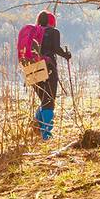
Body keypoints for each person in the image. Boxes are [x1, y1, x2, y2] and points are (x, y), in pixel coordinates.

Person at [27, 10, 70, 140]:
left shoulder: (32, 32)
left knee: (44, 100)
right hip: (47, 67)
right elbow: (56, 49)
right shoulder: (54, 32)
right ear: (52, 22)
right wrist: (67, 55)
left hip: (30, 67)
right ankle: (46, 135)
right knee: (49, 101)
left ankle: (37, 124)